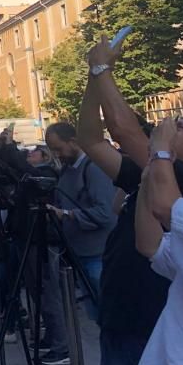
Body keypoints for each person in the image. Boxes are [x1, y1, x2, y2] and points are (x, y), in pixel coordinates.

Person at [79, 35, 183, 365]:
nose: (171, 124)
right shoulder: (149, 173)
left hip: (152, 323)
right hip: (122, 313)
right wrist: (95, 80)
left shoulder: (180, 177)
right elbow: (91, 139)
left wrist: (102, 67)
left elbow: (124, 130)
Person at [135, 115, 183, 365]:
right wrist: (148, 179)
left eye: (182, 127)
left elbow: (167, 209)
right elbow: (151, 246)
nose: (170, 127)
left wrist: (160, 152)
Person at [45, 121, 117, 322]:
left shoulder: (94, 169)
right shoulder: (67, 170)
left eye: (58, 148)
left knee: (108, 314)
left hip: (98, 254)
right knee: (96, 313)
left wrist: (67, 214)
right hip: (80, 253)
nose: (57, 155)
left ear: (74, 141)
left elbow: (106, 213)